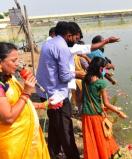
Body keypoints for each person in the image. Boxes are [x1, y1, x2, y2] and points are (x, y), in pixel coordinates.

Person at [36, 21, 85, 159]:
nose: (75, 42)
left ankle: (52, 152)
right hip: (55, 95)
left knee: (54, 125)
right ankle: (73, 156)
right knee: (66, 129)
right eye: (75, 39)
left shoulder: (49, 43)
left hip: (45, 91)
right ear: (69, 36)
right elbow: (64, 77)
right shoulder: (62, 47)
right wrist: (77, 74)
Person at [0, 42, 50, 158]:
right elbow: (9, 117)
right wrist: (26, 92)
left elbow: (18, 103)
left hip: (29, 140)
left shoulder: (10, 79)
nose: (18, 64)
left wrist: (42, 105)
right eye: (13, 61)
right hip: (14, 145)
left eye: (18, 60)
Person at [82, 57, 127, 159]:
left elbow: (83, 98)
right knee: (101, 138)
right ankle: (104, 155)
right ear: (100, 69)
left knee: (90, 140)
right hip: (95, 115)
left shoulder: (84, 80)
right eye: (103, 68)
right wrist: (119, 112)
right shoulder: (101, 83)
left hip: (85, 114)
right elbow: (107, 103)